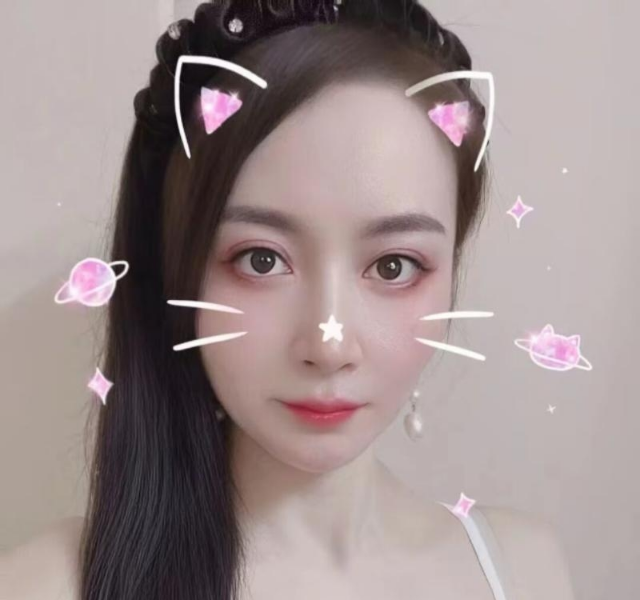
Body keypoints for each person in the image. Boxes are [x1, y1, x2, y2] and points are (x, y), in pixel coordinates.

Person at [1, 1, 577, 599]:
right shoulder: (45, 586)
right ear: (179, 268)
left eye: (393, 266)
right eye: (261, 260)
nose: (329, 346)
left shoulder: (525, 571)